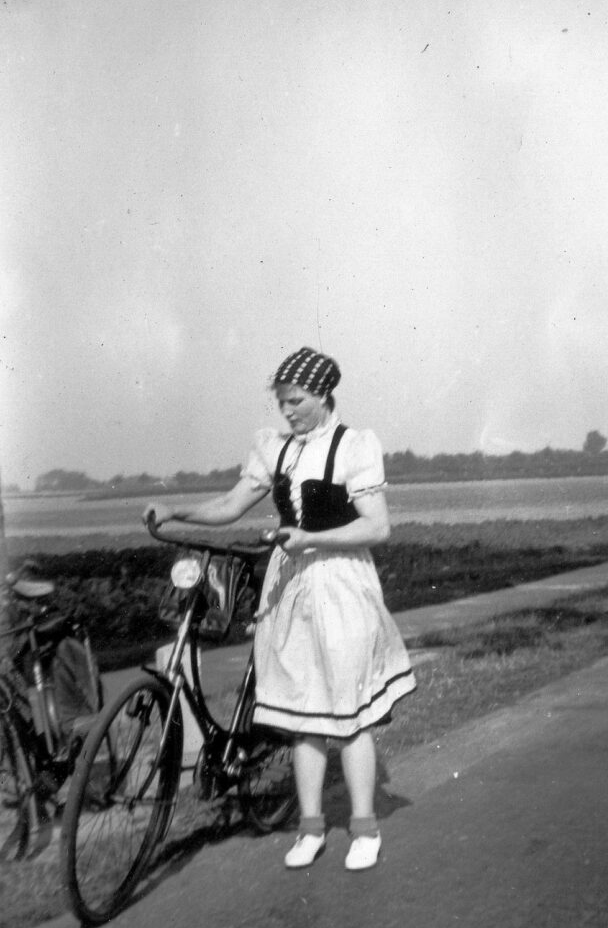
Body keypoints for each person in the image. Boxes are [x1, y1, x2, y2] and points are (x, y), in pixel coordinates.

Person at [143, 347, 416, 871]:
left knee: (350, 712)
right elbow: (229, 505)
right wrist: (176, 508)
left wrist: (310, 538)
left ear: (323, 395)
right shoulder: (276, 450)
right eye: (282, 404)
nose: (287, 412)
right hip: (289, 587)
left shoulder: (353, 446)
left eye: (297, 402)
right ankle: (310, 828)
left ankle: (364, 828)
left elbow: (377, 527)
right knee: (302, 712)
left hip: (339, 584)